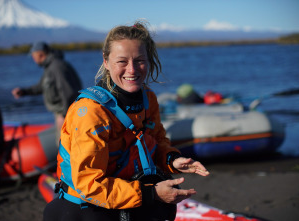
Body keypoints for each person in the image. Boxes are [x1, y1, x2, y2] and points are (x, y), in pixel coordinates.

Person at [43, 21, 209, 221]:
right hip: (84, 209)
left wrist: (171, 160)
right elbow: (89, 184)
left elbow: (155, 141)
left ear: (148, 61)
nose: (132, 70)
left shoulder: (148, 99)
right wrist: (152, 194)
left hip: (125, 202)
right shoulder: (90, 112)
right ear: (106, 61)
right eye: (122, 61)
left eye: (139, 60)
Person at [11, 42, 83, 144]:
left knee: (65, 146)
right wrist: (24, 92)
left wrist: (64, 115)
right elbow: (42, 87)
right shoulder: (50, 67)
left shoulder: (57, 67)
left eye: (33, 56)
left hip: (65, 114)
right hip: (62, 113)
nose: (33, 59)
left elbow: (68, 91)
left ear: (40, 54)